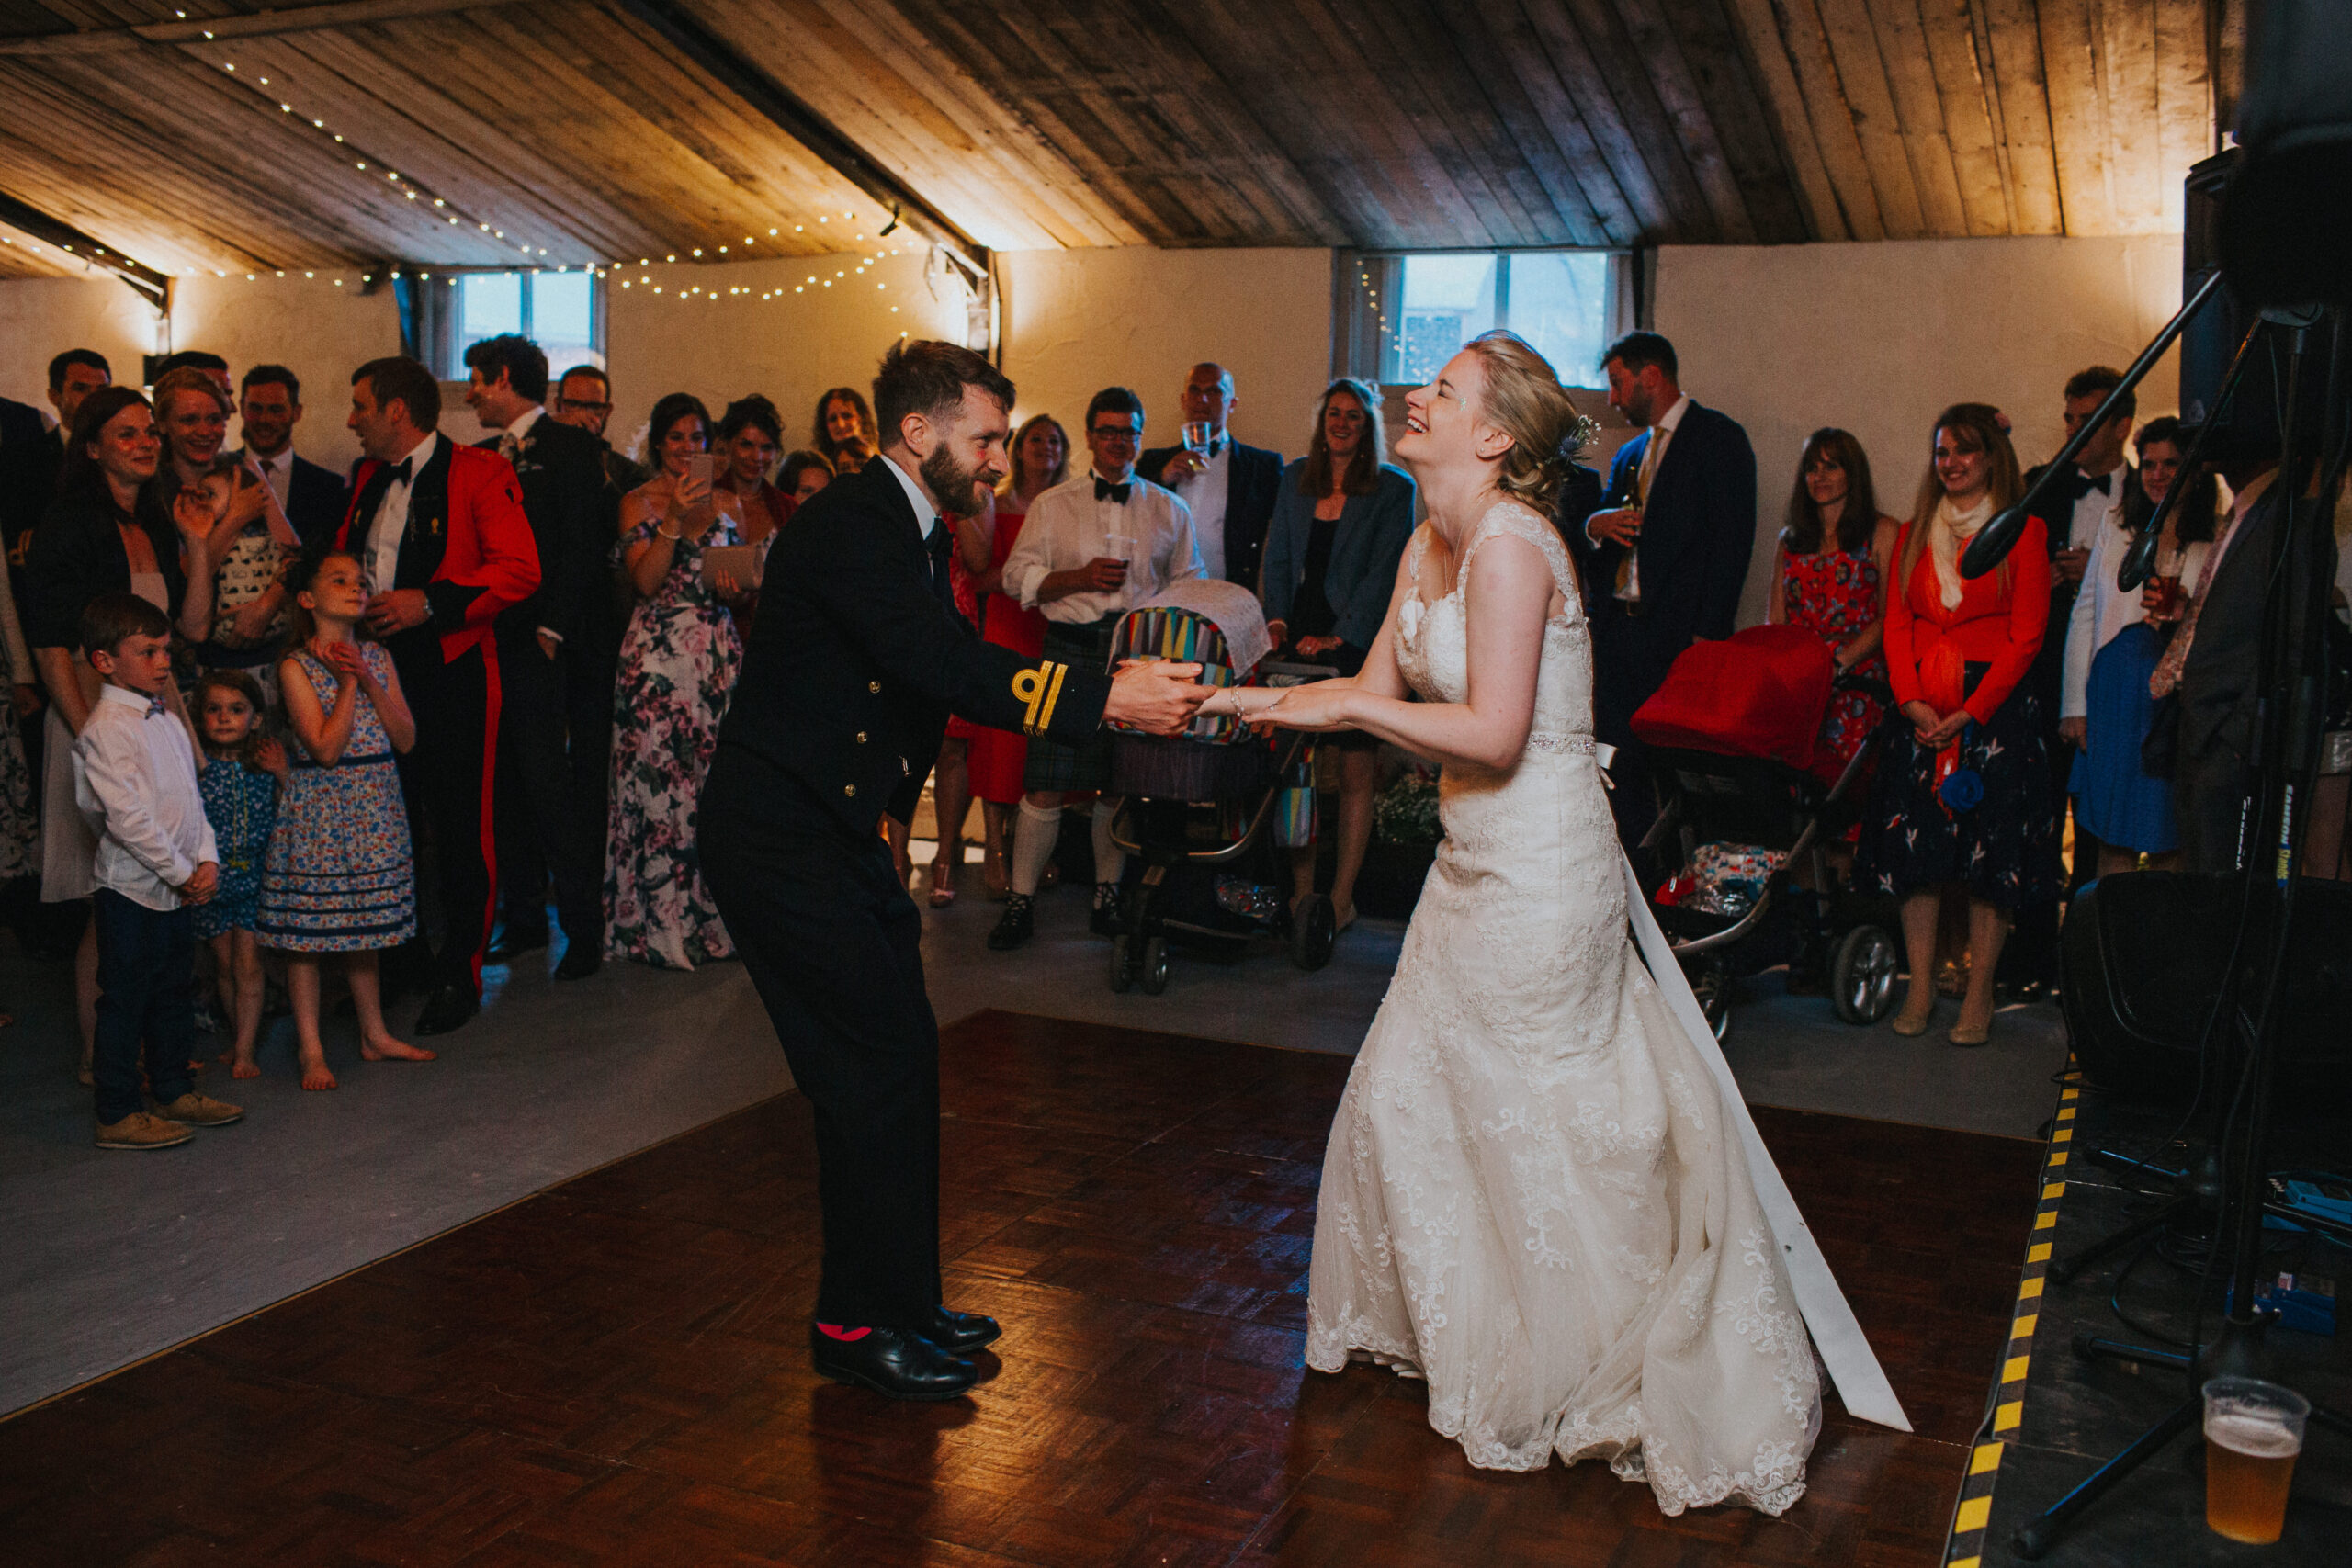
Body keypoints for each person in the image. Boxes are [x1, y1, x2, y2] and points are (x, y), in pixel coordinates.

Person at [1228, 329, 1821, 1511]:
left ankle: (1580, 1356)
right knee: (1411, 1091)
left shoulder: (1510, 546)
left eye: (1440, 391)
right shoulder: (1424, 539)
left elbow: (1495, 735)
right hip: (1467, 863)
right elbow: (1373, 691)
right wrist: (1272, 699)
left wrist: (1330, 716)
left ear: (1493, 434)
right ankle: (1472, 1334)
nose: (1413, 396)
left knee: (1541, 1116)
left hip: (1545, 871)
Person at [698, 337, 1210, 1400]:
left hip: (828, 832)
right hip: (779, 836)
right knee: (865, 1070)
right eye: (983, 439)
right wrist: (1103, 697)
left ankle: (903, 1301)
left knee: (900, 1061)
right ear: (919, 432)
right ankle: (851, 1326)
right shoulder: (849, 524)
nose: (997, 460)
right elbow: (938, 665)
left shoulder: (915, 527)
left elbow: (920, 678)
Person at [335, 355, 539, 1035]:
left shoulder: (483, 471)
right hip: (372, 672)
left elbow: (519, 571)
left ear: (397, 410)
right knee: (387, 820)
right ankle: (402, 957)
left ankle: (463, 968)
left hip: (453, 670)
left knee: (460, 825)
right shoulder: (366, 475)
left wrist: (430, 602)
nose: (351, 419)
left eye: (360, 405)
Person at [1860, 404, 2060, 1047]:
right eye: (1942, 451)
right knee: (1919, 852)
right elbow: (1895, 623)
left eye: (1965, 451)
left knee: (1987, 855)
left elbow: (2028, 636)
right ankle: (1920, 980)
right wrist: (1912, 699)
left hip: (1992, 710)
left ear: (1991, 456)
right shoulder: (1917, 530)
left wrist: (1971, 711)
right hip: (1920, 706)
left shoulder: (2024, 532)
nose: (1951, 463)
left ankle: (1979, 991)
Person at [27, 387, 207, 1085]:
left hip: (159, 714)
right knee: (113, 903)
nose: (144, 443)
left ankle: (151, 1051)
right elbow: (50, 645)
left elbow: (189, 629)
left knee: (158, 897)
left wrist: (195, 541)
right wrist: (94, 741)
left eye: (147, 432)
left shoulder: (156, 520)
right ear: (92, 446)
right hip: (93, 716)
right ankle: (102, 1058)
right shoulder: (68, 522)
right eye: (125, 433)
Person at [989, 387, 1205, 949]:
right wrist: (1077, 578)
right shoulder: (1052, 505)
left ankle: (1106, 900)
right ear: (1088, 437)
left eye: (1129, 432)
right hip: (1066, 646)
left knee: (1116, 786)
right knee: (1045, 784)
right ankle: (1020, 904)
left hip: (1134, 655)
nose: (1118, 442)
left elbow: (1190, 585)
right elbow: (1015, 578)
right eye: (1107, 431)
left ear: (1139, 436)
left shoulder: (1169, 508)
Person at [463, 333, 613, 981]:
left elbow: (584, 542)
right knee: (505, 787)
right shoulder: (474, 456)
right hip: (493, 643)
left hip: (553, 648)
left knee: (556, 789)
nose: (469, 392)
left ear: (501, 378)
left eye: (475, 379)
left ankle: (582, 928)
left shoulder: (572, 447)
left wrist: (554, 626)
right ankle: (521, 919)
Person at [71, 592, 244, 1149]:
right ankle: (117, 1111)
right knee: (125, 999)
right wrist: (179, 871)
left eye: (167, 650)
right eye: (147, 652)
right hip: (132, 892)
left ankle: (172, 1088)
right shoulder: (105, 730)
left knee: (174, 989)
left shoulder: (166, 717)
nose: (163, 662)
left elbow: (191, 802)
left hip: (175, 886)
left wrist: (208, 857)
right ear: (104, 661)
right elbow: (128, 819)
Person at [1579, 331, 1756, 861]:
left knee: (1676, 769)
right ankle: (1626, 872)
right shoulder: (1631, 453)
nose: (1612, 398)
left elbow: (1732, 540)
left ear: (1650, 375)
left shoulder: (1718, 438)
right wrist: (1595, 523)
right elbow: (1604, 535)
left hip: (1678, 638)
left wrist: (1707, 636)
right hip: (1619, 635)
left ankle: (1673, 885)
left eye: (1616, 383)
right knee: (1614, 764)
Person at [257, 551, 430, 1089]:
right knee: (309, 933)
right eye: (339, 581)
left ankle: (374, 1034)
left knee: (364, 927)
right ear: (308, 599)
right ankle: (310, 1049)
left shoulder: (377, 655)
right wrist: (348, 684)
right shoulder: (295, 666)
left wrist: (367, 677)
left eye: (360, 581)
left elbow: (406, 738)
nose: (356, 588)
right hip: (323, 806)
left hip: (375, 798)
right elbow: (326, 749)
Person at [1259, 378, 1417, 929]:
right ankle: (1304, 893)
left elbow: (1385, 573)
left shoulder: (1393, 489)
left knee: (1355, 772)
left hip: (1359, 641)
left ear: (1367, 425)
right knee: (1294, 766)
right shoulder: (1294, 478)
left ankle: (1343, 897)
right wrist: (1275, 619)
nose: (1343, 423)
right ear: (1322, 423)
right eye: (1334, 414)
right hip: (1295, 636)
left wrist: (1342, 637)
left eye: (1354, 415)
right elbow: (1277, 554)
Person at [605, 393, 741, 969]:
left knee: (718, 791)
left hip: (716, 654)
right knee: (662, 790)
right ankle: (657, 926)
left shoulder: (729, 499)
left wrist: (739, 581)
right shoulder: (637, 503)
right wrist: (676, 520)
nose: (689, 449)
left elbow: (734, 575)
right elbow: (646, 581)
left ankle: (718, 922)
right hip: (658, 664)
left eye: (698, 439)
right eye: (678, 438)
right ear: (659, 442)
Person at [2016, 365, 2136, 993]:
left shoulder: (2153, 489)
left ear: (2122, 424)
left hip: (2111, 681)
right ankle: (2032, 958)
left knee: (2097, 826)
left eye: (2088, 418)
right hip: (2041, 676)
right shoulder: (2041, 486)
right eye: (2069, 417)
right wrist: (2052, 574)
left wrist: (2102, 572)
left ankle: (2089, 965)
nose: (2075, 430)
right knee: (2036, 819)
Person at [2061, 418, 2219, 876]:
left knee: (2168, 832)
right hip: (2113, 691)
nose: (2158, 474)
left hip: (2173, 699)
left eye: (2172, 463)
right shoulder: (2118, 522)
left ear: (2195, 470)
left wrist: (2188, 609)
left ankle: (2160, 944)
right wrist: (2074, 704)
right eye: (2148, 464)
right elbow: (2086, 610)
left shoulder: (2216, 535)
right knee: (2114, 835)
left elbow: (2224, 624)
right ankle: (2114, 943)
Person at [2157, 438, 2294, 874]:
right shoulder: (2243, 513)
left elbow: (2288, 640)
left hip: (2232, 740)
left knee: (2225, 891)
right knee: (2199, 882)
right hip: (2199, 728)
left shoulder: (2286, 516)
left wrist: (2240, 736)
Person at [959, 413, 1067, 899]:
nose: (1047, 447)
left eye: (1056, 440)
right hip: (1007, 626)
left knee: (1039, 744)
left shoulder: (1070, 507)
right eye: (1037, 438)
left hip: (1052, 626)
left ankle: (1031, 848)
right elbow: (978, 576)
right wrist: (1024, 578)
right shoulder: (994, 505)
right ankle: (994, 852)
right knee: (1001, 743)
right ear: (1019, 448)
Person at [1766, 429, 1901, 769]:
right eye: (1812, 468)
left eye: (1831, 466)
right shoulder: (1791, 539)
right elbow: (1776, 621)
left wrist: (1840, 663)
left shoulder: (1882, 532)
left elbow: (1889, 616)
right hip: (1799, 676)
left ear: (1852, 473)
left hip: (1856, 673)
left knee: (1843, 782)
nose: (1819, 477)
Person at [157, 367, 293, 696]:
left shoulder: (242, 470)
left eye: (215, 419)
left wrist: (265, 606)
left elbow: (294, 555)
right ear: (163, 425)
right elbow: (176, 585)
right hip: (188, 661)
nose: (205, 431)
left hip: (262, 656)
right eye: (189, 420)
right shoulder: (155, 490)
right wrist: (234, 519)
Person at [191, 670, 286, 1080]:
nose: (224, 718)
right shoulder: (197, 767)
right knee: (225, 964)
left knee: (248, 964)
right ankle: (239, 1037)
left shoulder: (264, 761)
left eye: (236, 709)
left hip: (255, 879)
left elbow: (294, 806)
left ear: (257, 718)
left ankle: (246, 1049)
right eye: (213, 709)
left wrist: (283, 772)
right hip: (212, 879)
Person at [1137, 362, 1284, 586]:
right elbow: (1131, 516)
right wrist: (1162, 479)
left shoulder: (1261, 467)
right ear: (1183, 399)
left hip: (1228, 593)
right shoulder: (1153, 463)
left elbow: (1283, 537)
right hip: (1161, 594)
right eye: (1195, 390)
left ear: (1232, 404)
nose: (1202, 399)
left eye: (1214, 391)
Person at [232, 365, 346, 547]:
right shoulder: (220, 472)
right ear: (242, 408)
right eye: (255, 408)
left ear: (296, 413)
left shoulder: (330, 489)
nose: (264, 420)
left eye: (276, 410)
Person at [550, 364, 650, 493]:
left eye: (593, 407)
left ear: (607, 411)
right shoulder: (537, 462)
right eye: (573, 405)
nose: (582, 415)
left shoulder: (631, 475)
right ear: (557, 405)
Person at [714, 395, 793, 544]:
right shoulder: (704, 500)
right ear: (726, 445)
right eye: (746, 445)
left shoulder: (787, 508)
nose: (757, 457)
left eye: (766, 447)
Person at [813, 386, 878, 474]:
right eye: (833, 419)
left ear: (861, 418)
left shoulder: (883, 458)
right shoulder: (820, 470)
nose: (840, 425)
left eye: (847, 416)